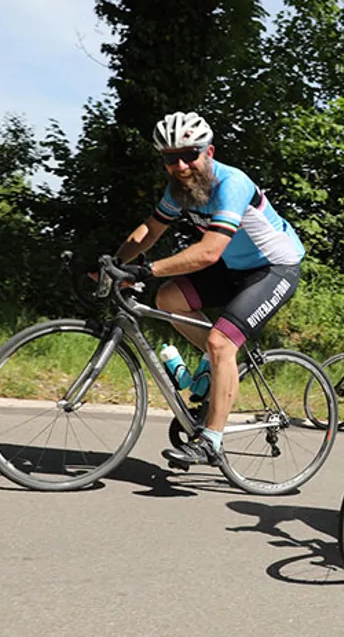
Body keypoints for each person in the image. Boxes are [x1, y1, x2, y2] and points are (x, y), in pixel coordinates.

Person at [110, 111, 305, 466]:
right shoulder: (180, 190)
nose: (181, 165)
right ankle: (220, 368)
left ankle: (211, 441)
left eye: (190, 155)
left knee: (221, 342)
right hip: (234, 268)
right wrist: (114, 264)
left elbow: (209, 251)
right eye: (171, 158)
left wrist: (145, 269)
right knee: (168, 298)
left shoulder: (232, 183)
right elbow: (151, 229)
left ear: (209, 152)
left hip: (276, 268)